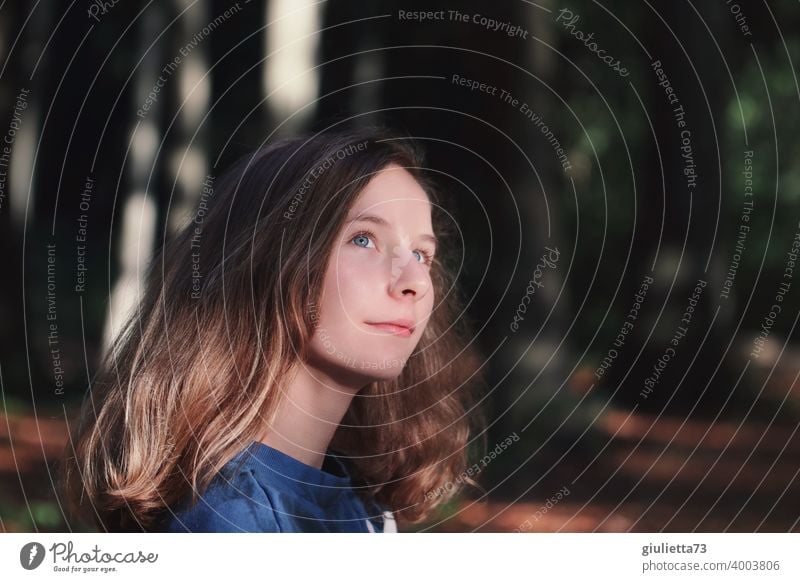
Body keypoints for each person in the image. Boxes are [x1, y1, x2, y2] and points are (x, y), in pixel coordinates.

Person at [60, 125, 487, 533]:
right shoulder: (229, 520)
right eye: (363, 239)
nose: (413, 280)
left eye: (421, 254)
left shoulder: (364, 506)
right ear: (266, 263)